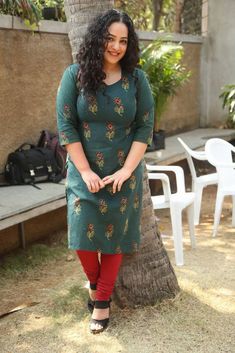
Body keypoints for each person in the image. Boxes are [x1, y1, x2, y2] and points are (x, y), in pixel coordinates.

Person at [56, 8, 154, 334]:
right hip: (84, 172)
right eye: (110, 38)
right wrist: (84, 171)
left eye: (123, 41)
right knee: (82, 236)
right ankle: (95, 284)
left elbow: (144, 127)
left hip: (122, 175)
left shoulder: (137, 80)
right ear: (98, 38)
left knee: (115, 240)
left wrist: (127, 170)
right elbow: (66, 124)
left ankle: (101, 302)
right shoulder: (75, 75)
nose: (116, 46)